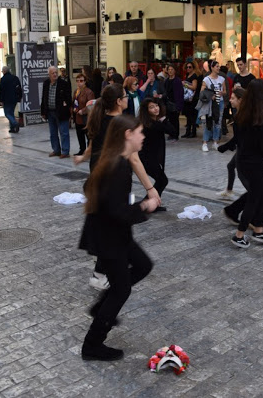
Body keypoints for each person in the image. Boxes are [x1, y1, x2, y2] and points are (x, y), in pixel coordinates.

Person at [79, 114, 157, 362]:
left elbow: (92, 188)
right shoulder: (118, 166)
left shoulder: (114, 160)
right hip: (109, 236)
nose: (143, 136)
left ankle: (101, 306)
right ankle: (92, 345)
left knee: (143, 265)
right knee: (121, 290)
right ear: (128, 135)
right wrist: (146, 206)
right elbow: (118, 211)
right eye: (140, 132)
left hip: (114, 233)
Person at [74, 84, 161, 291]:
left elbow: (91, 146)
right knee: (116, 227)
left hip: (98, 177)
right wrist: (150, 189)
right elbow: (134, 160)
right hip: (114, 178)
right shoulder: (120, 125)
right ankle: (102, 274)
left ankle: (104, 272)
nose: (127, 99)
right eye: (124, 96)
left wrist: (82, 158)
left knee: (109, 225)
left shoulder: (99, 119)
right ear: (119, 101)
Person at [224, 79, 263, 248]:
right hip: (256, 165)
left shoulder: (242, 115)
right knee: (255, 198)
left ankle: (259, 230)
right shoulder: (262, 118)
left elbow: (239, 140)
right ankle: (239, 235)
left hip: (244, 162)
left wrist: (224, 147)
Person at [138, 98, 174, 206]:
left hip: (151, 157)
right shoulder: (151, 124)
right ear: (146, 110)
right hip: (146, 158)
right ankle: (147, 204)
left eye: (156, 106)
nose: (155, 109)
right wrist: (164, 119)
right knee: (162, 180)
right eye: (152, 107)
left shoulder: (152, 122)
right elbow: (172, 131)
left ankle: (150, 203)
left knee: (161, 180)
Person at [217, 87, 245, 200]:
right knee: (230, 166)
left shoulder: (242, 116)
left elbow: (238, 137)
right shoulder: (240, 114)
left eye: (233, 98)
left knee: (243, 175)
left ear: (240, 100)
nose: (230, 100)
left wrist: (224, 147)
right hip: (242, 148)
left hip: (244, 150)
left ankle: (255, 194)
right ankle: (229, 190)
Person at [41, 66, 72, 159]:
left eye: (56, 72)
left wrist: (66, 107)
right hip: (50, 112)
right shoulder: (46, 83)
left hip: (61, 112)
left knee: (64, 132)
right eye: (52, 73)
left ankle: (65, 151)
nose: (55, 74)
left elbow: (68, 98)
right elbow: (44, 98)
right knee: (53, 133)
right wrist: (43, 111)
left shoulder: (63, 84)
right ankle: (56, 150)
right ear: (49, 74)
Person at [200, 60, 226, 151]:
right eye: (217, 66)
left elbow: (225, 91)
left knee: (218, 122)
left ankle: (215, 141)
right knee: (208, 121)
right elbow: (202, 92)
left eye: (219, 66)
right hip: (210, 103)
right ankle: (205, 142)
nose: (219, 68)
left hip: (220, 101)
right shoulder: (206, 79)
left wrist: (222, 93)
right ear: (212, 67)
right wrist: (211, 95)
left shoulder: (222, 79)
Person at [72, 73, 95, 156]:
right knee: (80, 135)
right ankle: (82, 149)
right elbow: (74, 102)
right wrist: (74, 109)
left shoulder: (89, 92)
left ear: (85, 82)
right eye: (77, 81)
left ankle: (89, 151)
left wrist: (83, 110)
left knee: (88, 135)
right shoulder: (76, 91)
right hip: (78, 117)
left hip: (86, 118)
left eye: (81, 81)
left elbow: (91, 104)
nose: (79, 83)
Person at [163, 64, 183, 141]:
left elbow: (180, 94)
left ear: (175, 71)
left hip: (175, 103)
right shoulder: (166, 80)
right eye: (169, 69)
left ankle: (175, 135)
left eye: (172, 69)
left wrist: (179, 106)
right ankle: (171, 134)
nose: (170, 71)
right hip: (168, 103)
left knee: (175, 120)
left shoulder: (177, 80)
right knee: (169, 120)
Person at [181, 61, 201, 138]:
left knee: (192, 116)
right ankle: (188, 131)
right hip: (187, 98)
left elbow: (194, 87)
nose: (188, 69)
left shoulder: (194, 76)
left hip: (193, 99)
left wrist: (185, 84)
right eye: (187, 67)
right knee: (188, 116)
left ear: (193, 68)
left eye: (190, 67)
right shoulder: (187, 75)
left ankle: (193, 132)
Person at [0, 66, 21, 133]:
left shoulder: (3, 79)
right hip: (14, 98)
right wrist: (19, 97)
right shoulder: (15, 78)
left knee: (7, 113)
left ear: (4, 71)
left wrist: (1, 100)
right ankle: (12, 128)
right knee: (11, 112)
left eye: (2, 71)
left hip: (6, 99)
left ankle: (15, 123)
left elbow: (2, 90)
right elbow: (19, 88)